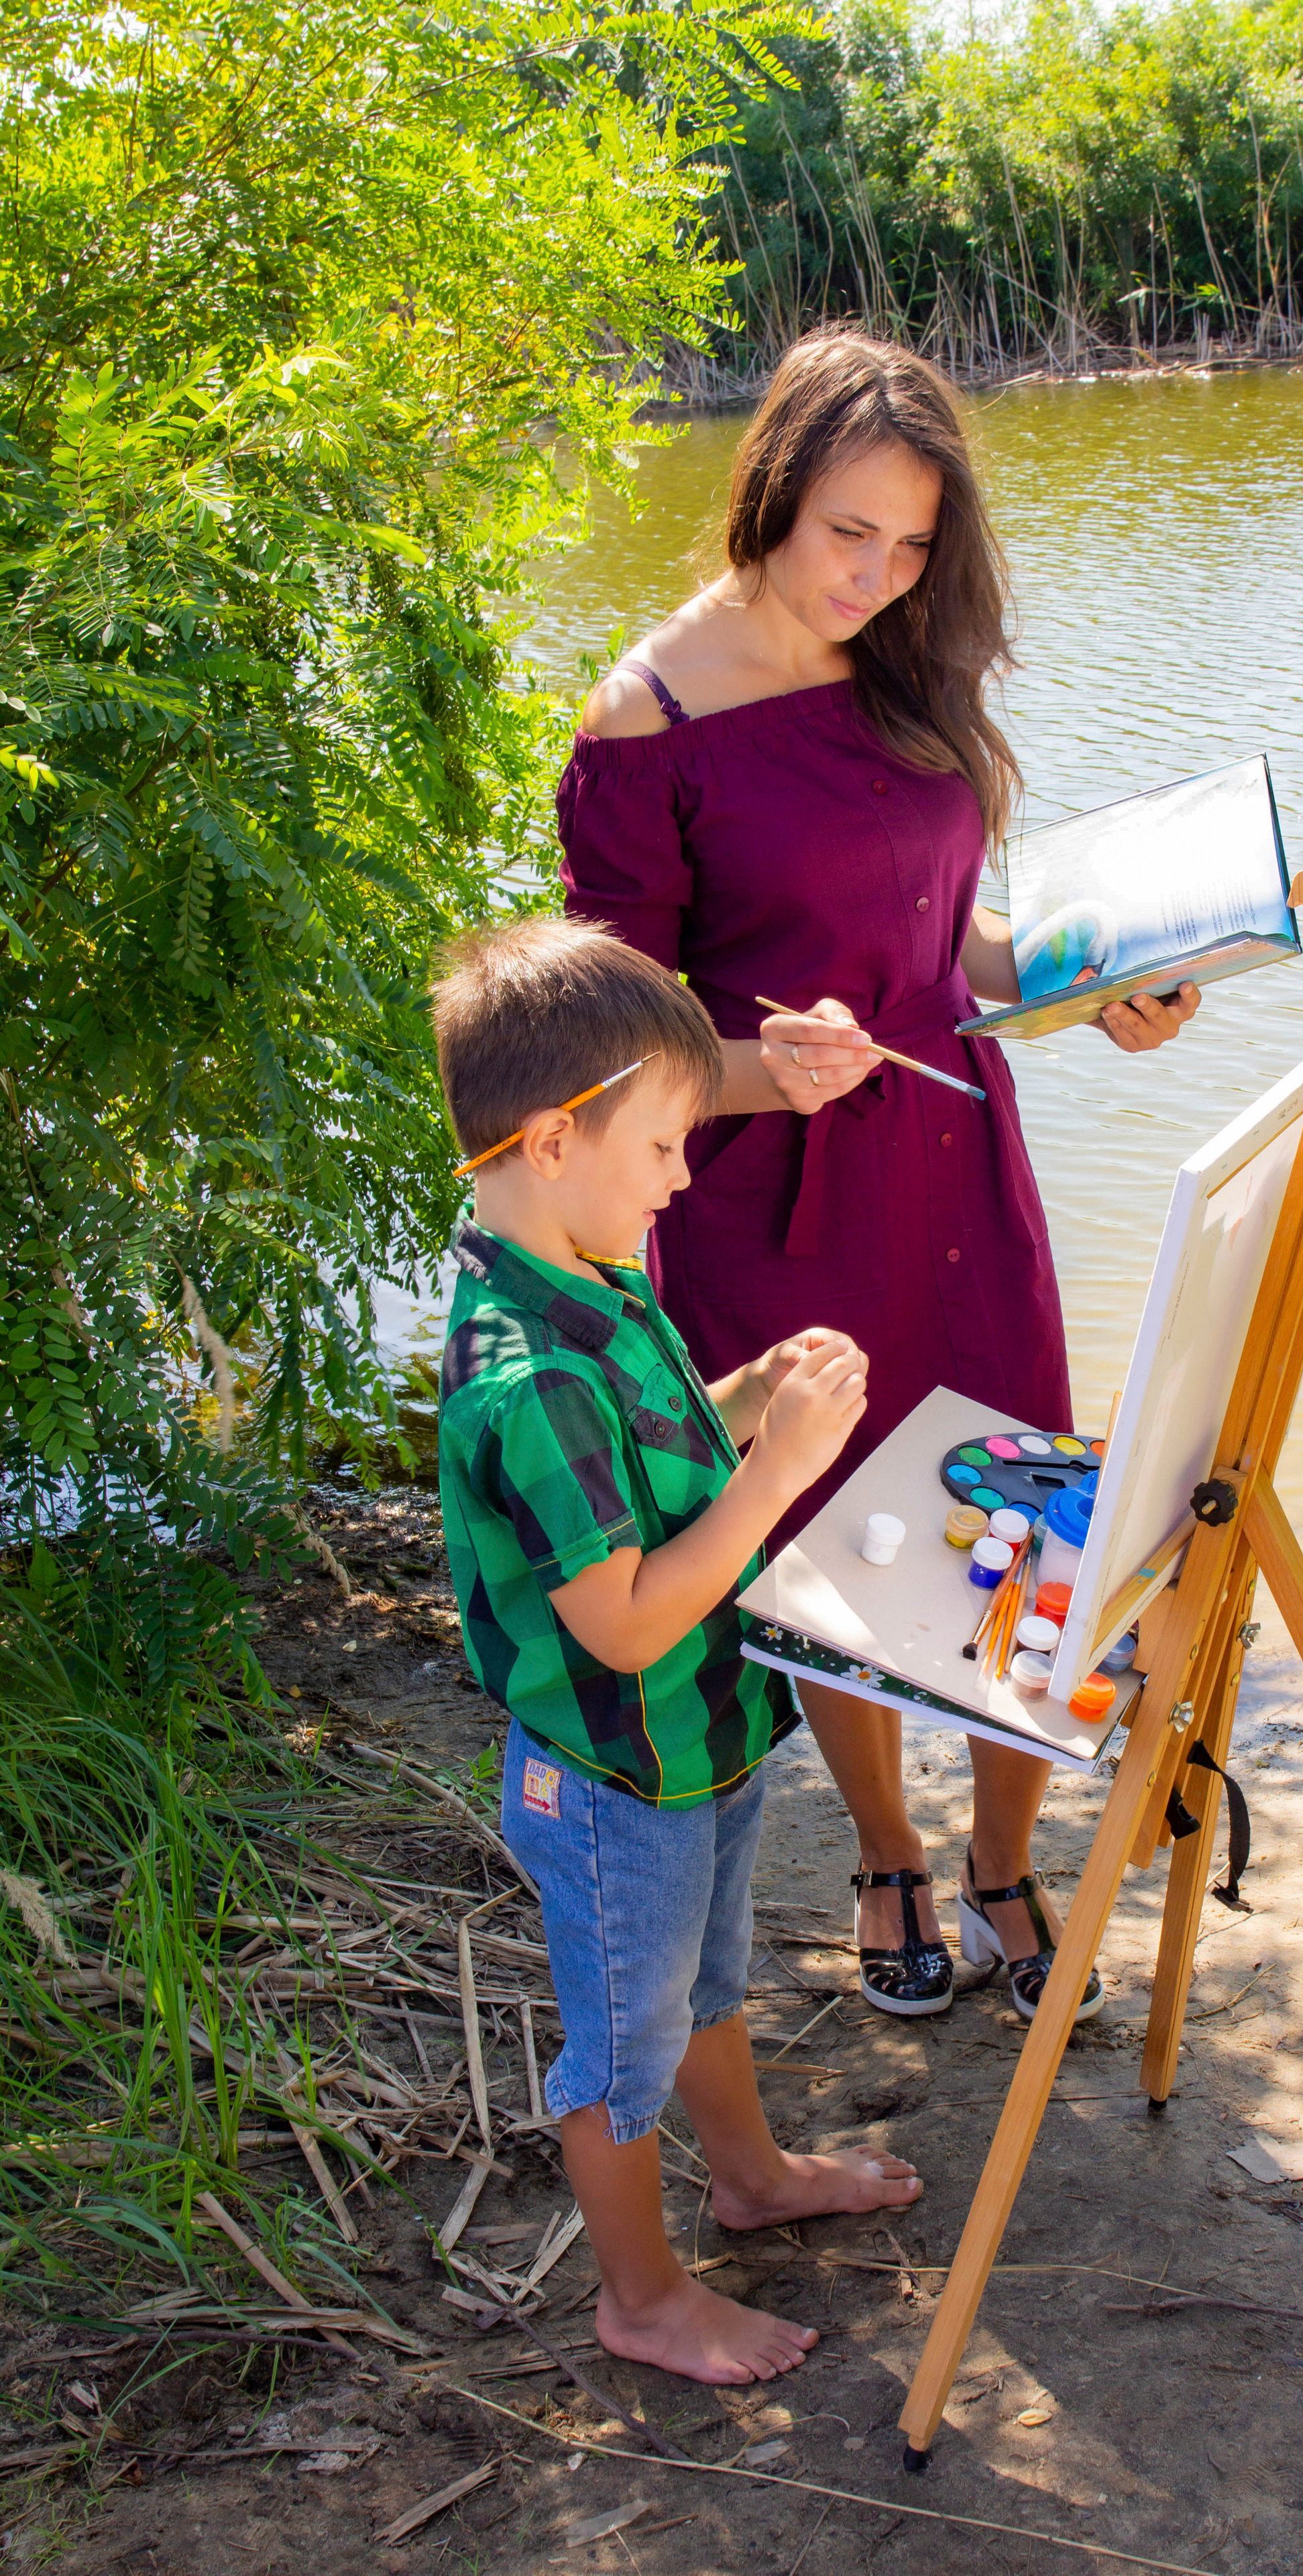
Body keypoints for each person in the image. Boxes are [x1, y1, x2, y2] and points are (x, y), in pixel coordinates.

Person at [559, 329, 1199, 2027]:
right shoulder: (648, 719)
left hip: (953, 1156)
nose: (877, 573)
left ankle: (1002, 1858)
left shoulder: (903, 665)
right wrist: (768, 1070)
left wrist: (1082, 980)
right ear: (768, 491)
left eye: (911, 544)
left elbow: (951, 937)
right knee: (840, 1530)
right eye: (849, 532)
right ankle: (885, 1852)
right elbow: (617, 1044)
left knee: (1017, 1516)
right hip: (771, 1200)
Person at [434, 916, 922, 2386]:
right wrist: (772, 1480)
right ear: (550, 1139)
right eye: (663, 1144)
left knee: (708, 1983)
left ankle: (754, 2175)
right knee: (621, 2052)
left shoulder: (594, 1265)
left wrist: (751, 1391)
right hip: (608, 1778)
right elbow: (625, 1612)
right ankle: (639, 2302)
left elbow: (649, 1467)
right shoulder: (523, 1376)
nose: (683, 1171)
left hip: (696, 1737)